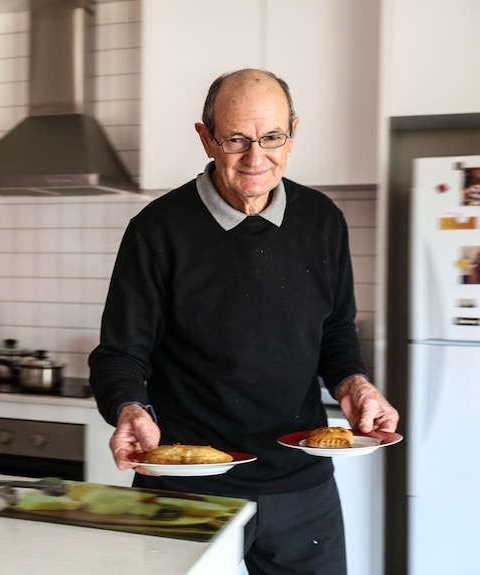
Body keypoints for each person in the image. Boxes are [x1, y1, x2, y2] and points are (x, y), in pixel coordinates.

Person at [88, 69, 399, 575]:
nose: (257, 158)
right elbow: (120, 353)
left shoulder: (322, 220)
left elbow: (335, 329)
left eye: (273, 137)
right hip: (185, 487)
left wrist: (355, 384)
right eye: (235, 139)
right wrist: (129, 408)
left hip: (302, 486)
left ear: (293, 133)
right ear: (206, 138)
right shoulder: (157, 230)